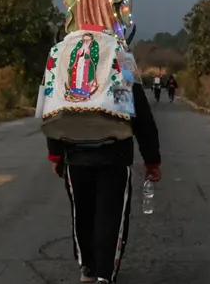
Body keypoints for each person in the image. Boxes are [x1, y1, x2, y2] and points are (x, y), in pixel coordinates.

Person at [47, 83, 161, 284]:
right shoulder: (120, 73)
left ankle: (88, 267)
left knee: (82, 213)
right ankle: (104, 274)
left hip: (76, 156)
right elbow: (142, 120)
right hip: (114, 157)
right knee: (110, 216)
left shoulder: (71, 71)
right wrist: (151, 160)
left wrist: (56, 154)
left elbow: (55, 111)